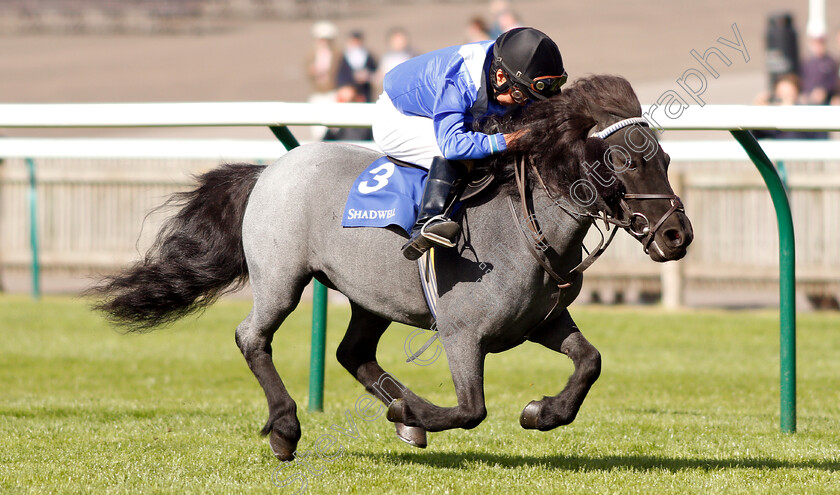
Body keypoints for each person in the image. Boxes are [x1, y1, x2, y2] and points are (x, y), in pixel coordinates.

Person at [372, 27, 567, 260]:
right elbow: (452, 144)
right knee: (463, 152)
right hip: (401, 117)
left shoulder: (509, 71)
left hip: (448, 111)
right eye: (519, 96)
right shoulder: (462, 77)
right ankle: (427, 222)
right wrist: (509, 140)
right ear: (501, 77)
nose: (523, 103)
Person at [336, 30, 378, 102]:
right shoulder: (344, 56)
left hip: (364, 91)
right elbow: (341, 74)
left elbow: (374, 71)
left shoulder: (368, 55)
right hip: (349, 92)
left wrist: (367, 76)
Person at [800, 29, 839, 105]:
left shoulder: (831, 61)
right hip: (810, 97)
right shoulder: (807, 62)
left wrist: (824, 90)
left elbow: (834, 80)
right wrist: (807, 93)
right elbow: (804, 79)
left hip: (827, 98)